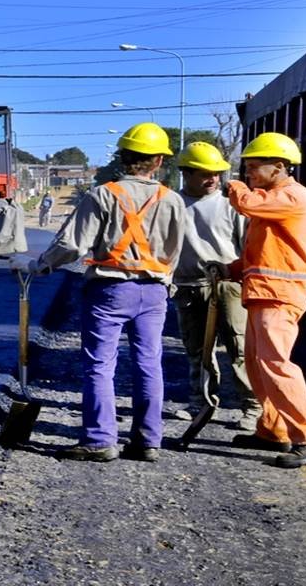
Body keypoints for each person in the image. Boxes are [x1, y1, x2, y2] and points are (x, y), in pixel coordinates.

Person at [29, 123, 186, 462]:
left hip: (110, 290)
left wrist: (41, 266)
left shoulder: (104, 194)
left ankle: (100, 440)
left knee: (100, 365)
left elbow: (72, 245)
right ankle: (148, 441)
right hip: (155, 292)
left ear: (123, 158)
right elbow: (176, 250)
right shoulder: (172, 200)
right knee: (149, 364)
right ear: (158, 161)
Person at [227, 132, 306, 468]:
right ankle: (273, 429)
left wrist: (230, 185)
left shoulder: (291, 196)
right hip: (264, 290)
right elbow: (268, 249)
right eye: (247, 169)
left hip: (280, 294)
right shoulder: (275, 197)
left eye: (255, 167)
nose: (249, 174)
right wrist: (233, 268)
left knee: (275, 365)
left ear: (279, 166)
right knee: (259, 364)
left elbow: (246, 203)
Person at [172, 142, 261, 431]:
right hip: (188, 286)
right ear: (186, 174)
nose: (213, 178)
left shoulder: (230, 205)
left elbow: (247, 247)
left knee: (240, 348)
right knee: (197, 349)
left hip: (228, 286)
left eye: (217, 173)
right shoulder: (173, 205)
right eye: (204, 173)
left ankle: (252, 407)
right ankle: (200, 402)